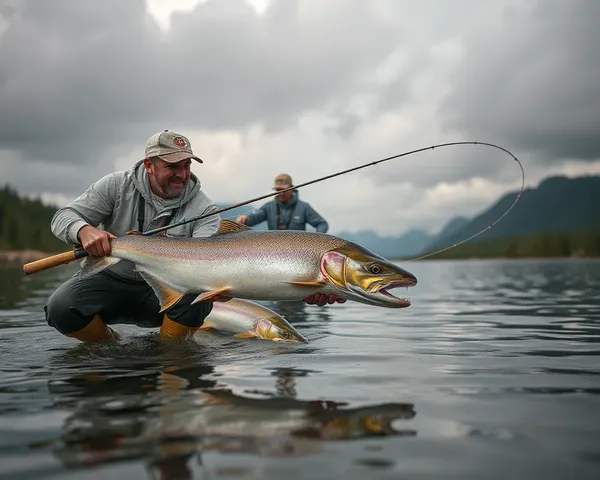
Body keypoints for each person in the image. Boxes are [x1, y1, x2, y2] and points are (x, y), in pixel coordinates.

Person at [44, 131, 344, 344]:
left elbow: (212, 265)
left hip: (167, 288)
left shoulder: (204, 208)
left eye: (187, 165)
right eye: (172, 166)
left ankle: (169, 356)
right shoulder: (114, 186)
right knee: (60, 308)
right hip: (111, 279)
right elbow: (63, 217)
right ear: (149, 165)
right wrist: (84, 231)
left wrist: (304, 285)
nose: (182, 174)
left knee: (199, 294)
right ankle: (108, 345)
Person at [236, 173, 329, 233]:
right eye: (277, 190)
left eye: (284, 190)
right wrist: (245, 219)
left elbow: (322, 224)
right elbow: (253, 219)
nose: (281, 193)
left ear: (292, 188)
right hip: (275, 251)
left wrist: (316, 239)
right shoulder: (268, 207)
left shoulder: (304, 207)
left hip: (298, 251)